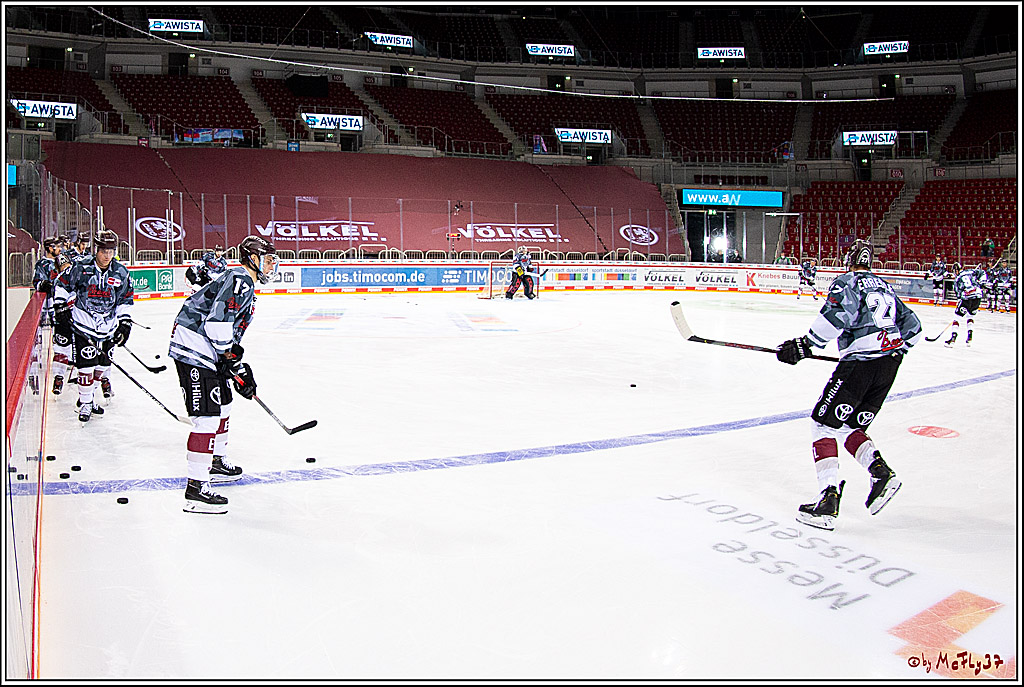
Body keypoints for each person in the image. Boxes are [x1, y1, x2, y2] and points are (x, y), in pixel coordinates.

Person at [776, 239, 922, 531]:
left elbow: (837, 316)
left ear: (849, 260)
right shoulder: (885, 286)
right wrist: (889, 350)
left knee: (822, 425)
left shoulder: (848, 282)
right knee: (847, 427)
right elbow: (914, 329)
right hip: (889, 365)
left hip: (861, 365)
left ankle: (827, 500)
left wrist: (805, 345)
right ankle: (881, 473)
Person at [168, 236, 278, 514]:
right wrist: (231, 361)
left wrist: (235, 364)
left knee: (224, 402)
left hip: (208, 348)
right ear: (253, 258)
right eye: (267, 260)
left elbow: (227, 329)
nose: (271, 266)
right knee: (206, 417)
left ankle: (215, 462)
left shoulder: (243, 281)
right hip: (194, 348)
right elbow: (217, 323)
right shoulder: (241, 279)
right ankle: (196, 490)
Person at [52, 231, 134, 422]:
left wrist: (125, 322)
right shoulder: (81, 267)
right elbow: (62, 284)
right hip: (84, 325)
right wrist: (60, 305)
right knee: (86, 365)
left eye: (111, 251)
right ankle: (86, 402)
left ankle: (88, 397)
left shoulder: (121, 272)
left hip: (108, 327)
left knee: (102, 365)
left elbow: (125, 298)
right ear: (96, 249)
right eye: (104, 251)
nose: (107, 255)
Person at [943, 263, 983, 347]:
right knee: (970, 317)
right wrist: (982, 282)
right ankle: (969, 339)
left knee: (957, 318)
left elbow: (958, 293)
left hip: (966, 298)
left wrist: (959, 299)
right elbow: (982, 272)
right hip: (977, 297)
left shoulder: (957, 279)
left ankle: (953, 340)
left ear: (956, 270)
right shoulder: (970, 271)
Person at [32, 236, 63, 325]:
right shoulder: (42, 264)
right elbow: (37, 282)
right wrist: (44, 285)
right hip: (50, 308)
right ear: (50, 248)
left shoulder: (62, 262)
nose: (60, 249)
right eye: (57, 247)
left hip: (63, 306)